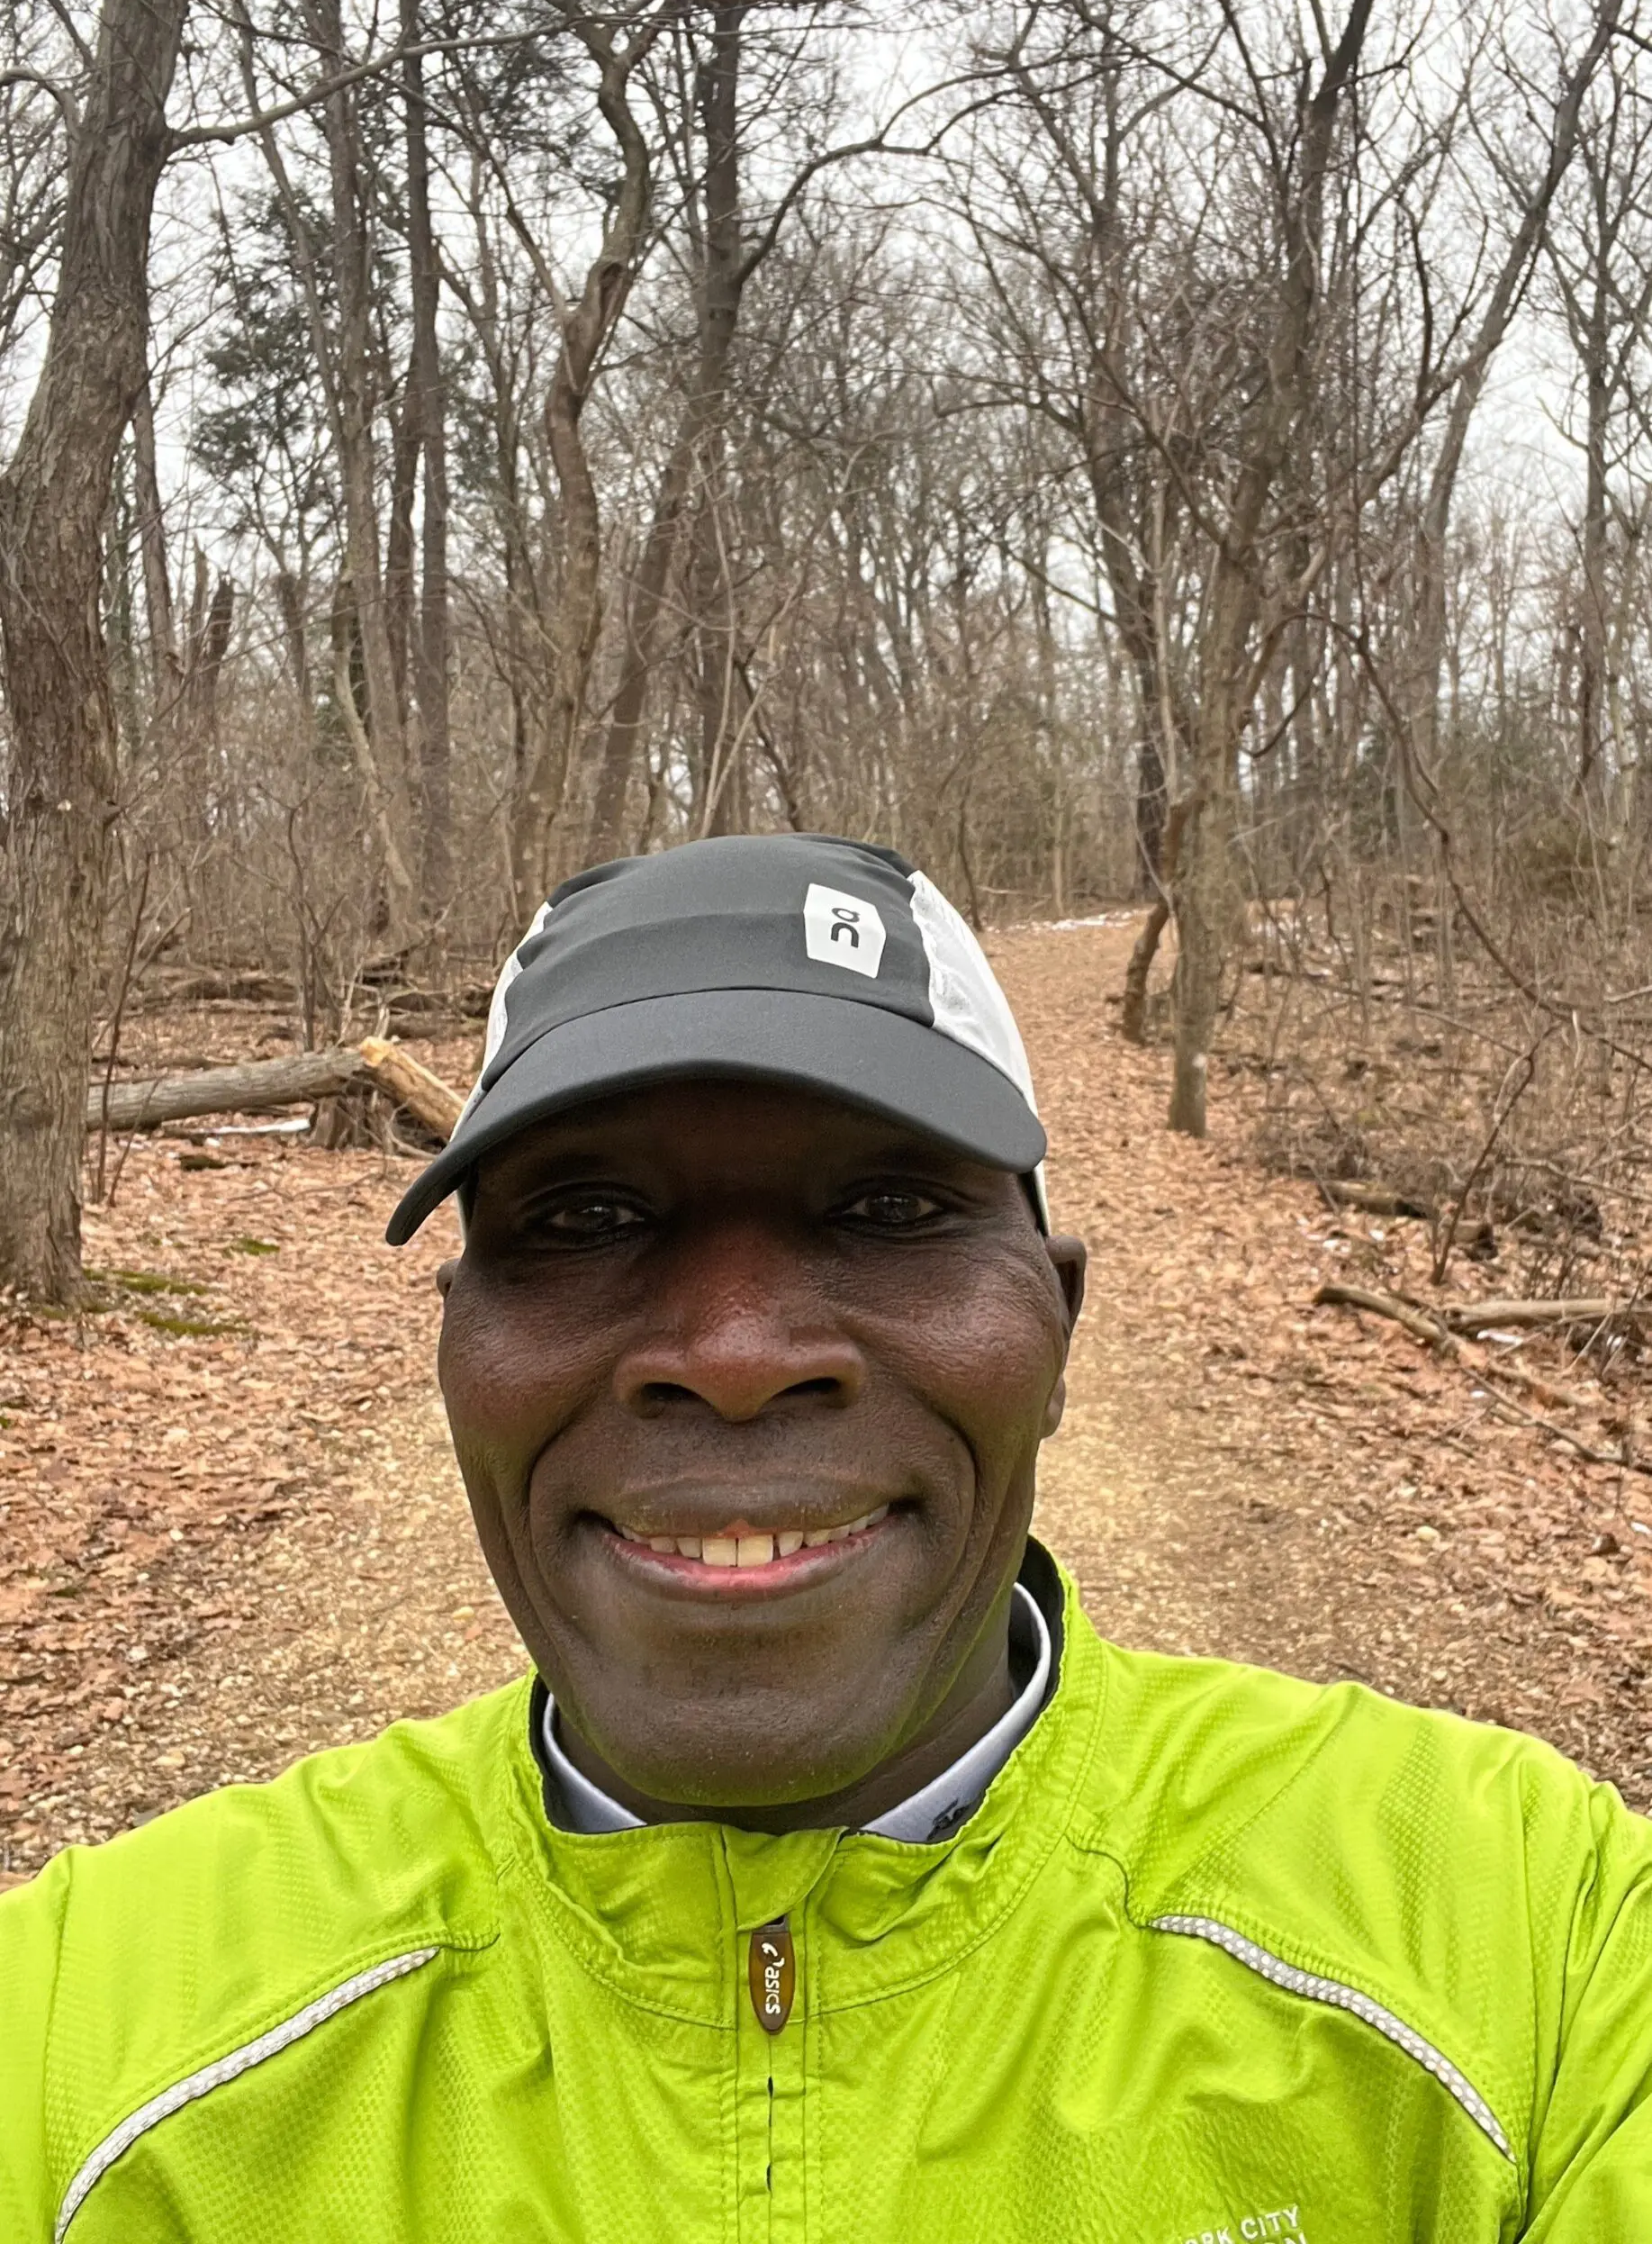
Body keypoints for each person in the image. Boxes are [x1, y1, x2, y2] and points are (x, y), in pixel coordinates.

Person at [3, 832, 1650, 2243]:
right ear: (452, 1350)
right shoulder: (91, 2039)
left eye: (885, 1210)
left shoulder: (1524, 1947)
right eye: (583, 1220)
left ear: (1058, 1333)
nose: (729, 1353)